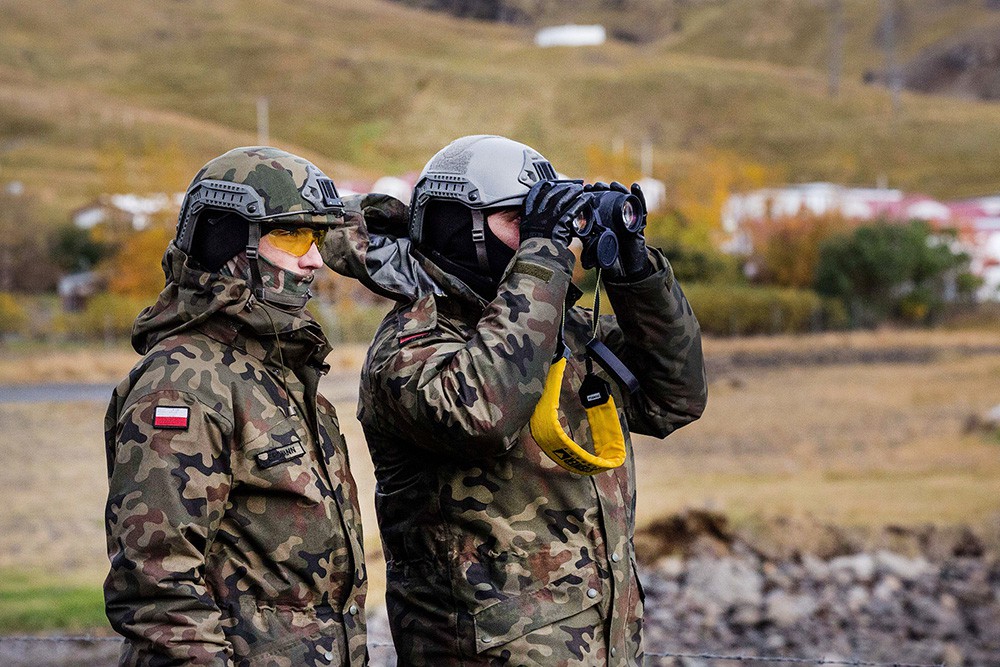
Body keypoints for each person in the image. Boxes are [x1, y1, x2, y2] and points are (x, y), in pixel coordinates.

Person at [354, 135, 708, 666]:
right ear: (460, 228)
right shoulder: (414, 342)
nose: (543, 237)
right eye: (519, 220)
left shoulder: (560, 332)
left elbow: (674, 396)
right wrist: (542, 254)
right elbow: (483, 414)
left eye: (543, 220)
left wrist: (636, 271)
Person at [103, 147, 368, 666]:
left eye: (316, 237)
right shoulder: (181, 386)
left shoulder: (276, 368)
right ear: (228, 240)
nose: (314, 258)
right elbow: (160, 590)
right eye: (292, 236)